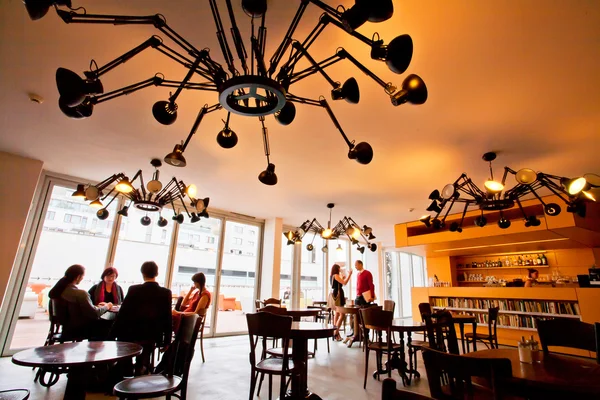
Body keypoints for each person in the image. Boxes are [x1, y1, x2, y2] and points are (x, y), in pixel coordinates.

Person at [110, 261, 172, 375]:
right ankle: (142, 366)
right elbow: (167, 318)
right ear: (157, 273)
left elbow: (123, 313)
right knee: (147, 346)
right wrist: (167, 341)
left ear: (142, 273)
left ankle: (125, 368)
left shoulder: (134, 289)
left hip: (132, 333)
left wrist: (113, 333)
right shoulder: (166, 293)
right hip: (152, 334)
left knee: (124, 341)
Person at [48, 264, 112, 340]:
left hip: (66, 329)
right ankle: (96, 350)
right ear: (78, 277)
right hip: (79, 330)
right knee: (108, 324)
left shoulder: (56, 291)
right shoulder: (80, 294)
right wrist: (107, 306)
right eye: (83, 276)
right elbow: (95, 314)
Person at [328, 264, 352, 341]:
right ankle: (335, 333)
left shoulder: (331, 276)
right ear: (336, 269)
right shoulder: (336, 275)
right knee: (342, 314)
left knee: (337, 314)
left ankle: (336, 333)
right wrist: (349, 275)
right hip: (339, 295)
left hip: (335, 294)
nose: (340, 270)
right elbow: (344, 283)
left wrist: (342, 278)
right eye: (339, 269)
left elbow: (338, 283)